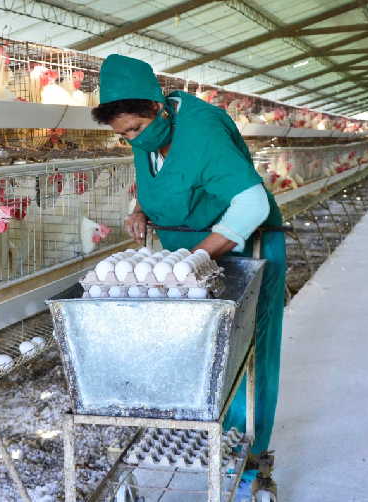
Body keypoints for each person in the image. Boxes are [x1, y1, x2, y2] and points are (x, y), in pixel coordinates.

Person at [91, 54, 286, 490]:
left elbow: (251, 204)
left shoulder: (202, 129)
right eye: (122, 135)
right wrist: (140, 209)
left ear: (158, 107)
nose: (131, 140)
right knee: (199, 347)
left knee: (245, 351)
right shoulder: (145, 137)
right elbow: (161, 178)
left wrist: (194, 259)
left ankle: (247, 450)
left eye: (135, 130)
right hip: (191, 255)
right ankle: (199, 433)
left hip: (244, 245)